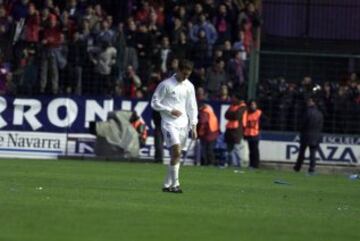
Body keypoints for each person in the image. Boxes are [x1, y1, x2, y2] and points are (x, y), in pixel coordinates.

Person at [151, 59, 198, 193]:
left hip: (183, 125)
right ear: (178, 70)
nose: (185, 77)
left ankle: (167, 185)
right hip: (169, 123)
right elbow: (154, 103)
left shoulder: (189, 86)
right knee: (176, 151)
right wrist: (169, 110)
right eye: (183, 74)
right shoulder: (165, 85)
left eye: (188, 75)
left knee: (176, 156)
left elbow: (192, 107)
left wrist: (194, 125)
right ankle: (176, 185)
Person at [293, 97, 324, 174]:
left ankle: (298, 167)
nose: (307, 103)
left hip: (306, 135)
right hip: (316, 135)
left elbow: (303, 123)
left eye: (309, 101)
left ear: (311, 102)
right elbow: (321, 125)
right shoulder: (319, 113)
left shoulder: (307, 112)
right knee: (313, 153)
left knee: (302, 152)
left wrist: (300, 130)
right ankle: (312, 168)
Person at [224, 94, 247, 167]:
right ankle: (229, 164)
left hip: (237, 131)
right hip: (229, 130)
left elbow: (236, 116)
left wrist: (231, 114)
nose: (232, 99)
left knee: (237, 149)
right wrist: (232, 115)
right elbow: (226, 115)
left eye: (233, 98)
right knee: (229, 150)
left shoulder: (243, 107)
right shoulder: (232, 106)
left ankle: (241, 164)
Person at [243, 100, 262, 168]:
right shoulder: (246, 113)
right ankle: (251, 164)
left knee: (255, 150)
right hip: (248, 134)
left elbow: (263, 121)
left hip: (255, 133)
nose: (252, 106)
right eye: (251, 104)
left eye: (254, 104)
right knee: (251, 150)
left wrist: (259, 128)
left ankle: (256, 164)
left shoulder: (259, 113)